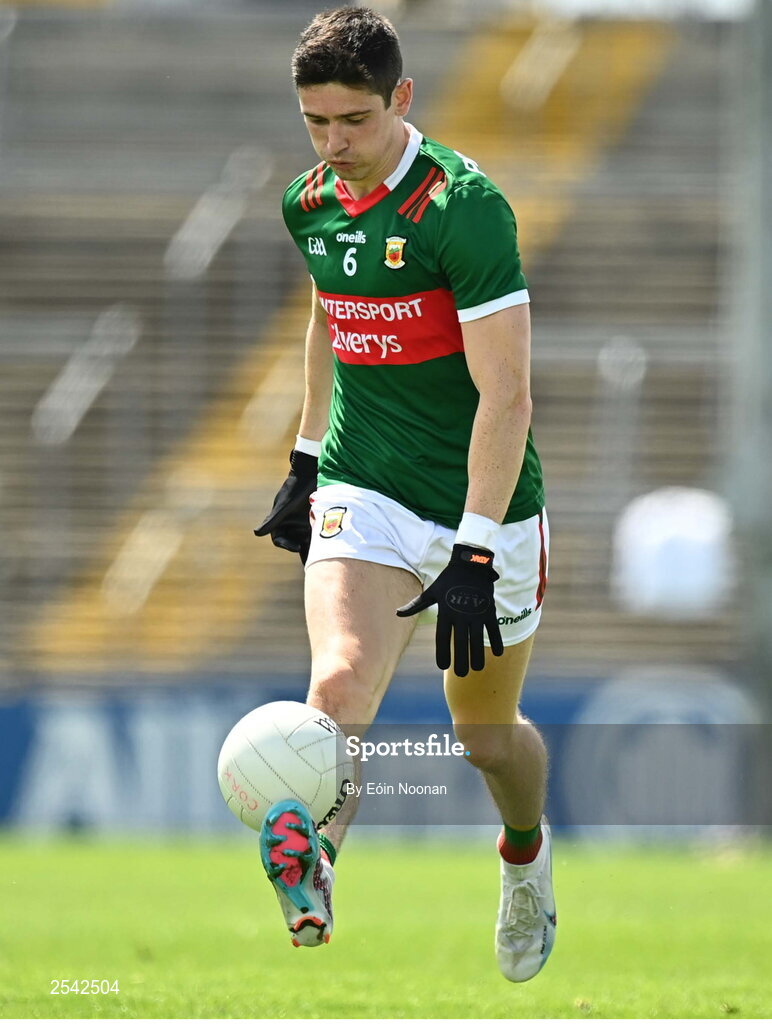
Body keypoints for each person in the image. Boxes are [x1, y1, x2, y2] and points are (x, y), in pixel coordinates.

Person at [254, 6, 555, 983]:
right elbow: (326, 311)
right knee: (340, 683)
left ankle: (524, 861)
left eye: (353, 121)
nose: (333, 145)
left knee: (484, 740)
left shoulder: (463, 207)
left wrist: (473, 546)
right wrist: (306, 456)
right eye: (315, 122)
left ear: (402, 101)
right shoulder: (309, 202)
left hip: (483, 501)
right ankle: (316, 864)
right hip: (366, 483)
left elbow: (507, 394)